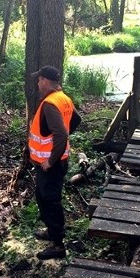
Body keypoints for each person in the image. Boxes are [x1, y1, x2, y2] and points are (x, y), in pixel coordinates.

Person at [28, 65, 81, 260]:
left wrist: (51, 159)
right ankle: (51, 231)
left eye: (39, 79)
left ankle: (58, 245)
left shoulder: (50, 103)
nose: (38, 83)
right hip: (53, 162)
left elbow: (61, 133)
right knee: (43, 196)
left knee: (51, 201)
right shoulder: (63, 98)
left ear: (46, 82)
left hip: (51, 165)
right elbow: (76, 120)